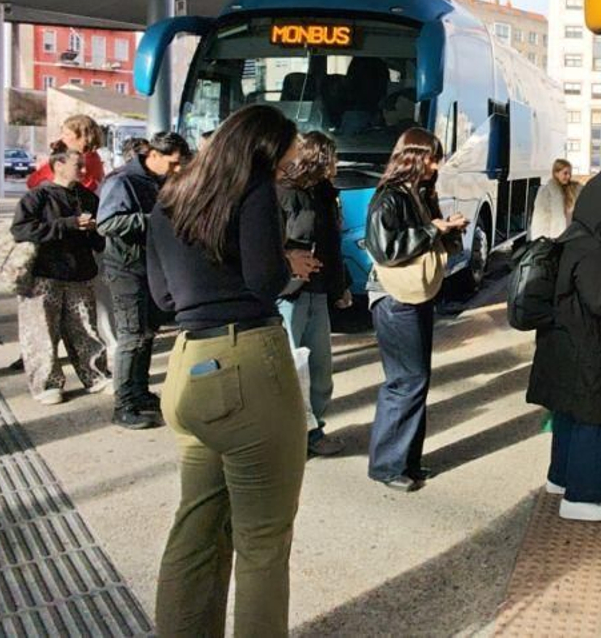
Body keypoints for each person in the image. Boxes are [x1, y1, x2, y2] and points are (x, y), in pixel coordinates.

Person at [146, 104, 314, 637]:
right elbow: (265, 282)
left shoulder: (169, 199)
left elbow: (164, 295)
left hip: (186, 367)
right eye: (287, 158)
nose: (289, 166)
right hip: (248, 365)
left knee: (196, 527)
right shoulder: (256, 192)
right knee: (263, 540)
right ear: (264, 150)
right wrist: (288, 263)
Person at [525, 169, 601, 522]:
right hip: (586, 348)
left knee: (568, 414)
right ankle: (582, 497)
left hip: (561, 344)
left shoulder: (573, 236)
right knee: (595, 418)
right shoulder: (593, 248)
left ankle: (559, 479)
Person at [363, 127, 467, 491]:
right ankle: (388, 466)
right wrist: (433, 230)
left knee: (415, 380)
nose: (436, 165)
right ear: (413, 157)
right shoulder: (389, 197)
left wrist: (447, 230)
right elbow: (385, 248)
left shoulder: (418, 193)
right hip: (394, 297)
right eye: (431, 157)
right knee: (406, 380)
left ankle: (406, 460)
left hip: (414, 296)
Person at [97, 131, 189, 428]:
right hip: (126, 267)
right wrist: (154, 220)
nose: (177, 170)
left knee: (147, 332)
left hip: (152, 265)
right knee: (132, 336)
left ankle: (140, 391)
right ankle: (123, 404)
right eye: (173, 164)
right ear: (154, 155)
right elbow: (107, 223)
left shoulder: (161, 180)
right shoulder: (122, 181)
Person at [10, 142, 108, 404]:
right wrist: (69, 224)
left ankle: (95, 375)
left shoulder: (88, 197)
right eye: (78, 165)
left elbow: (100, 236)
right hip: (44, 276)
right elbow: (21, 230)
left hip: (80, 274)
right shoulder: (37, 197)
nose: (84, 170)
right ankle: (46, 385)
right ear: (59, 166)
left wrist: (95, 232)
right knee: (42, 332)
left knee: (85, 329)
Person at [275, 131, 352, 457]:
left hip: (318, 291)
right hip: (289, 293)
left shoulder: (324, 194)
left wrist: (341, 285)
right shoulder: (282, 193)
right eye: (332, 158)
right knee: (291, 370)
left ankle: (313, 429)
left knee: (320, 370)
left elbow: (334, 246)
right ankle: (291, 436)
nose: (336, 165)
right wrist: (288, 265)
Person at [28, 114, 107, 190]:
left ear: (82, 138)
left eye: (67, 134)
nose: (62, 138)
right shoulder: (94, 158)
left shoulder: (73, 161)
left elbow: (33, 182)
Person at [529, 159, 579, 239]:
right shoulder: (545, 191)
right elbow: (540, 218)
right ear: (556, 173)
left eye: (570, 173)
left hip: (568, 236)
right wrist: (543, 239)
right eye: (565, 173)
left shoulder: (574, 189)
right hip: (551, 237)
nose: (568, 176)